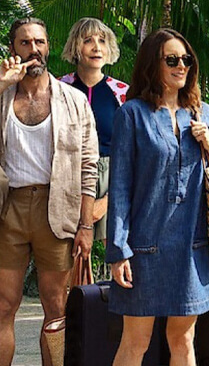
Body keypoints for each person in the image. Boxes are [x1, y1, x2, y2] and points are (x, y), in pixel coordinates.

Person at [106, 28, 209, 366]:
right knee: (136, 342)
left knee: (183, 339)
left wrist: (207, 143)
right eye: (172, 60)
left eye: (187, 59)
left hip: (193, 249)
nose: (182, 66)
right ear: (153, 64)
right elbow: (120, 186)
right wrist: (119, 251)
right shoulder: (132, 114)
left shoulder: (204, 114)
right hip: (143, 248)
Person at [0, 17, 98, 366]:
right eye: (25, 43)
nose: (34, 50)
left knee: (56, 307)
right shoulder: (0, 97)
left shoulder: (73, 100)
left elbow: (88, 168)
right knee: (3, 304)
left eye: (40, 42)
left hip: (57, 207)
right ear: (12, 48)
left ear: (48, 46)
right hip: (8, 207)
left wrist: (86, 225)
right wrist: (0, 84)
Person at [60, 17, 129, 248]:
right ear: (75, 47)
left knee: (118, 250)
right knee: (68, 250)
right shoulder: (59, 89)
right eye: (88, 40)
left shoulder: (122, 93)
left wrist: (108, 200)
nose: (96, 47)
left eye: (102, 40)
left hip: (112, 175)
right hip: (68, 173)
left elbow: (131, 150)